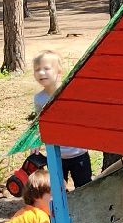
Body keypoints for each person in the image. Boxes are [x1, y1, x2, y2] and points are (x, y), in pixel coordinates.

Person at [30, 51, 92, 187]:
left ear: (59, 71)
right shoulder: (39, 99)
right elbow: (39, 123)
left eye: (46, 68)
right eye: (37, 69)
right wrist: (35, 142)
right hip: (55, 156)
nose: (41, 73)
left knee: (84, 186)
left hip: (79, 154)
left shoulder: (71, 93)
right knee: (57, 188)